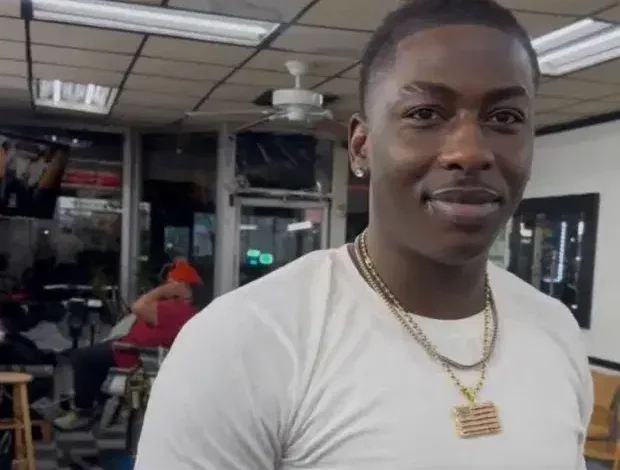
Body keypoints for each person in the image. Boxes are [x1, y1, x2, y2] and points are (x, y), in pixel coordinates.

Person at [136, 1, 593, 468]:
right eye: (425, 114)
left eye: (506, 118)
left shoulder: (555, 330)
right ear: (360, 146)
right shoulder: (242, 343)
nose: (469, 152)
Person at [53, 259, 202, 431]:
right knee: (93, 357)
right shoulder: (177, 308)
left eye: (171, 284)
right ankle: (95, 403)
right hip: (126, 348)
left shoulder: (178, 310)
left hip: (130, 356)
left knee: (82, 358)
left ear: (183, 288)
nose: (167, 286)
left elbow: (137, 307)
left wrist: (160, 291)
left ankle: (84, 411)